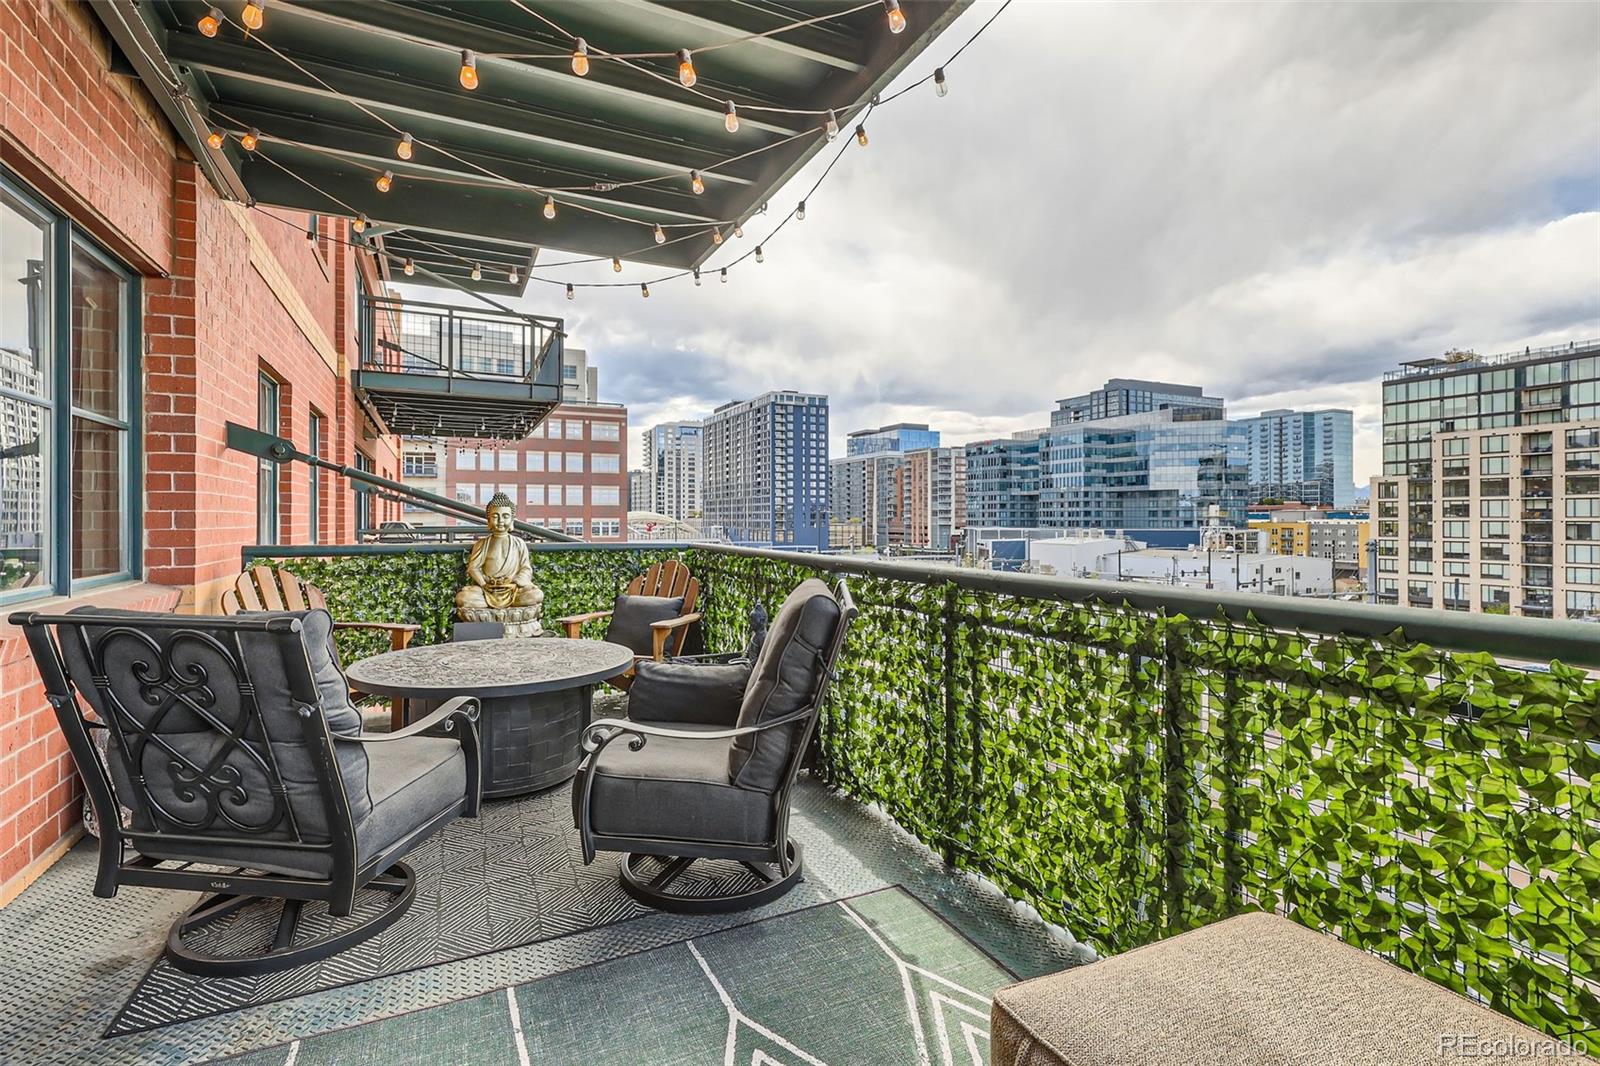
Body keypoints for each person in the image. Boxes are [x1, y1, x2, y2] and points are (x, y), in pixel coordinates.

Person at [455, 493, 543, 613]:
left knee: (535, 595)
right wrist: (484, 582)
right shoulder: (482, 544)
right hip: (487, 589)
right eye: (495, 516)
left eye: (505, 516)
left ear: (512, 520)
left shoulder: (519, 543)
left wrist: (515, 581)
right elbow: (473, 568)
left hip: (512, 589)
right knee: (464, 598)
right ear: (489, 520)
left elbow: (526, 568)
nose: (501, 521)